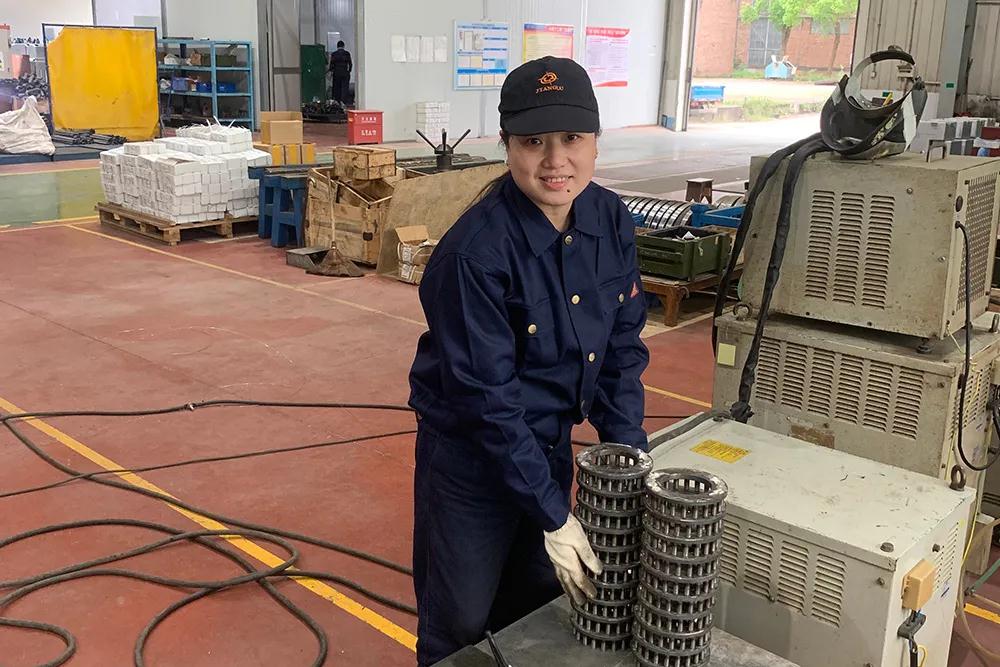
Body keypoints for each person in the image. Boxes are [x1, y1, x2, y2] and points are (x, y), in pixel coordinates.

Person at [408, 56, 649, 665]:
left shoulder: (610, 220)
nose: (555, 161)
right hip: (470, 461)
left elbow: (621, 351)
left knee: (535, 605)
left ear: (596, 140)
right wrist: (552, 515)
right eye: (533, 142)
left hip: (546, 447)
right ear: (506, 145)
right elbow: (487, 400)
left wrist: (630, 459)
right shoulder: (475, 255)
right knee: (461, 621)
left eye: (572, 138)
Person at [329, 40, 352, 105]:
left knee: (337, 88)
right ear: (343, 46)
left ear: (337, 46)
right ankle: (344, 101)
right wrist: (349, 71)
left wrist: (331, 71)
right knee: (345, 88)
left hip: (336, 73)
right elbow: (350, 64)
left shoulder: (334, 54)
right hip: (345, 72)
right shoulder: (347, 53)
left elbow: (332, 65)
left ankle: (337, 102)